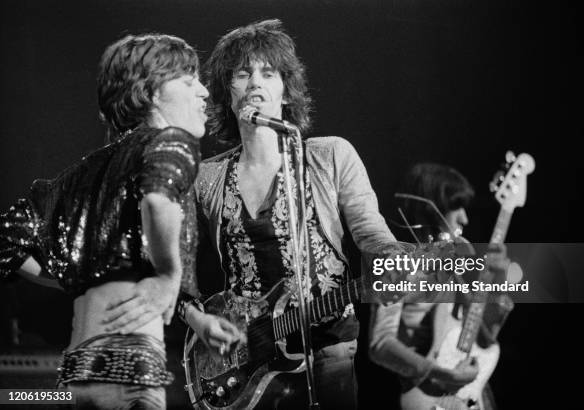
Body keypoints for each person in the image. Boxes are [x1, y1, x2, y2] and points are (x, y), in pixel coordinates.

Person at [106, 19, 398, 409]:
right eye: (243, 74)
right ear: (227, 92)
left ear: (285, 89)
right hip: (243, 359)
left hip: (328, 347)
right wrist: (196, 320)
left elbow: (372, 234)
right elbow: (171, 266)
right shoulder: (206, 177)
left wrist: (392, 258)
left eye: (268, 73)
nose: (256, 83)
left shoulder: (330, 155)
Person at [0, 33, 208, 409]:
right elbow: (158, 200)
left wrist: (75, 276)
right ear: (153, 92)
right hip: (131, 368)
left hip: (78, 372)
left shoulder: (77, 176)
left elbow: (6, 242)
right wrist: (168, 276)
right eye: (190, 81)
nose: (204, 93)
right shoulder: (170, 141)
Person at [369, 163, 513, 410]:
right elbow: (380, 344)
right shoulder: (396, 263)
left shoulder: (462, 251)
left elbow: (483, 331)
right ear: (431, 210)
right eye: (457, 208)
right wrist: (442, 374)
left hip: (471, 389)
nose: (465, 218)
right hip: (429, 391)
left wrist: (499, 281)